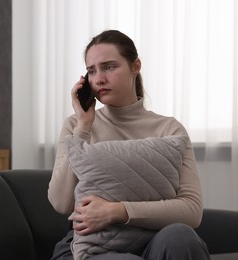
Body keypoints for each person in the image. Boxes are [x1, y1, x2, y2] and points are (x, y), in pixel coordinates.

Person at [48, 30, 210, 260]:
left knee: (181, 236)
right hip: (90, 247)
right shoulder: (76, 125)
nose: (99, 79)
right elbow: (61, 203)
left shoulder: (169, 130)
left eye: (109, 67)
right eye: (92, 71)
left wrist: (117, 211)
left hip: (152, 240)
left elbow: (191, 211)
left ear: (135, 66)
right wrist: (83, 127)